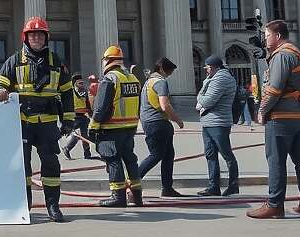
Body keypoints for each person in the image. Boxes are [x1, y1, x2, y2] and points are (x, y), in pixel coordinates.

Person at [0, 17, 73, 222]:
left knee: (51, 166)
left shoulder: (56, 62)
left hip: (47, 124)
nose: (36, 37)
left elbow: (67, 93)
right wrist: (1, 90)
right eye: (32, 34)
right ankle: (25, 207)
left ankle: (53, 206)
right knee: (23, 167)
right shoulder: (15, 61)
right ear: (25, 38)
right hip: (23, 123)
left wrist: (68, 120)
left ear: (46, 37)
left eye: (40, 34)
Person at [247, 19, 300, 219]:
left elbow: (274, 89)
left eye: (267, 35)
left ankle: (275, 204)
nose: (265, 39)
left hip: (282, 117)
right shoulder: (297, 53)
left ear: (277, 36)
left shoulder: (282, 56)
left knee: (276, 161)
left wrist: (261, 111)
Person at [88, 45, 143, 207]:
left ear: (107, 61)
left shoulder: (110, 78)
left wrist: (93, 126)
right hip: (130, 127)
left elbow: (101, 106)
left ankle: (118, 196)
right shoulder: (133, 78)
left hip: (112, 127)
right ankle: (137, 195)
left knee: (113, 160)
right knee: (130, 160)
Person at [136, 57, 186, 198]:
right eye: (169, 71)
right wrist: (178, 120)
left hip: (151, 122)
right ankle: (133, 180)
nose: (170, 74)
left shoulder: (148, 82)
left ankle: (167, 188)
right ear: (162, 69)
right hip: (157, 123)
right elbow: (164, 105)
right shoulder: (160, 82)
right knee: (156, 154)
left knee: (168, 155)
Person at [195, 55, 239, 197]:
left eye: (207, 68)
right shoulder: (215, 78)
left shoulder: (221, 78)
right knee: (210, 154)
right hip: (209, 122)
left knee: (226, 154)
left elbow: (207, 101)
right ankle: (213, 186)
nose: (206, 71)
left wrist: (199, 97)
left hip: (218, 122)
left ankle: (233, 186)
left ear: (213, 67)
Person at [61, 74, 94, 160]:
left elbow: (87, 104)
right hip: (74, 117)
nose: (82, 85)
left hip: (83, 117)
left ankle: (87, 154)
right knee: (75, 135)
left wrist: (91, 113)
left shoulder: (84, 93)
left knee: (85, 136)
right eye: (80, 83)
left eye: (82, 83)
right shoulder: (71, 93)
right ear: (75, 84)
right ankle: (67, 148)